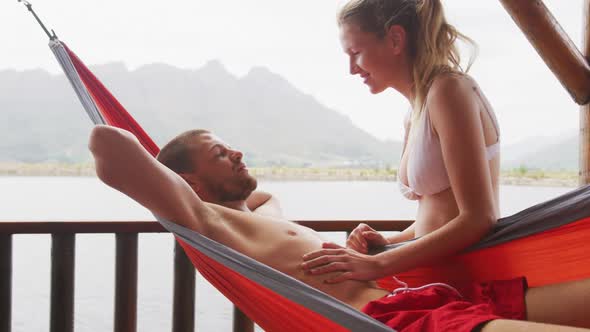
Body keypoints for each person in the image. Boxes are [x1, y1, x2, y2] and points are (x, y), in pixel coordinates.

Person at [89, 125, 590, 331]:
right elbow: (107, 144)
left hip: (430, 297)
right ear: (189, 182)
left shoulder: (258, 216)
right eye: (221, 153)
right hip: (394, 321)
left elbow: (264, 196)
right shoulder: (210, 223)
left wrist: (371, 247)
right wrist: (175, 192)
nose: (237, 152)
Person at [302, 0, 503, 282]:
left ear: (396, 39)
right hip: (435, 275)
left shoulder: (449, 90)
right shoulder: (415, 111)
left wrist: (379, 264)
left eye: (356, 52)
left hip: (466, 278)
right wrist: (389, 241)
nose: (351, 69)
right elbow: (436, 217)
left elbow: (479, 218)